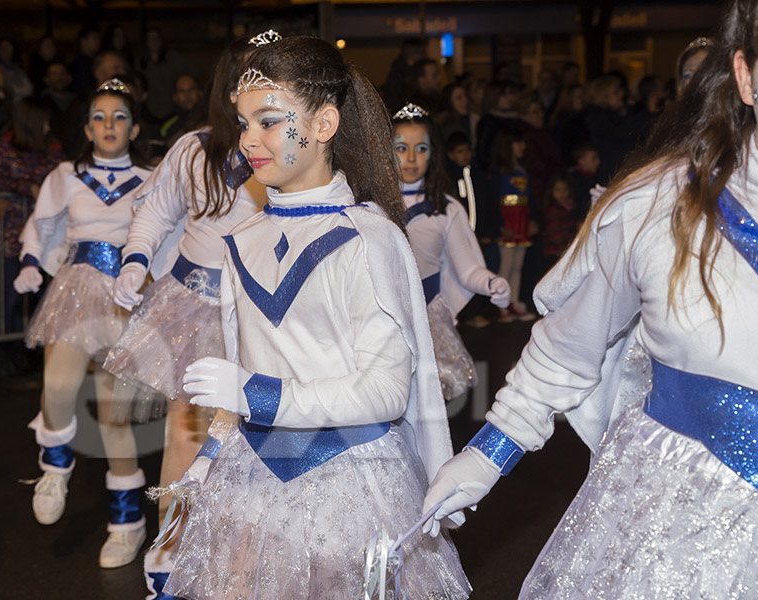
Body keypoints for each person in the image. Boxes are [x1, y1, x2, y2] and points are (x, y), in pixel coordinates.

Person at [423, 0, 758, 597]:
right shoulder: (657, 207)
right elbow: (568, 349)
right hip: (676, 531)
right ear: (745, 76)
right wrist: (487, 455)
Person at [166, 35, 471, 600]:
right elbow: (243, 368)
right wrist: (210, 455)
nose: (248, 140)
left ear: (325, 124)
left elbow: (386, 391)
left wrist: (258, 394)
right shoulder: (240, 240)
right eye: (242, 122)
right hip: (253, 478)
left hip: (351, 482)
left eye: (269, 121)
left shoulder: (369, 237)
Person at [103, 35, 267, 598]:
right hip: (194, 308)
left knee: (254, 446)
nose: (254, 88)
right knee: (186, 435)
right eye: (245, 77)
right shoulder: (195, 148)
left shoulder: (298, 153)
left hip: (266, 317)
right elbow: (156, 209)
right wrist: (134, 261)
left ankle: (241, 566)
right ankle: (169, 552)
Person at [13, 79, 152, 569]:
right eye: (99, 116)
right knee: (56, 386)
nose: (108, 125)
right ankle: (55, 464)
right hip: (75, 292)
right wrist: (31, 261)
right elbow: (42, 224)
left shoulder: (154, 178)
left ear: (134, 128)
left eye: (118, 117)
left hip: (126, 300)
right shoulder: (66, 175)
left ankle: (127, 523)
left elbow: (170, 235)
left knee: (114, 418)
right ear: (87, 126)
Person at [392, 103, 510, 399]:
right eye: (400, 147)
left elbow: (468, 269)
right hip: (380, 322)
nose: (410, 158)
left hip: (428, 322)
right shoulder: (366, 207)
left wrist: (491, 282)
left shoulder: (445, 209)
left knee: (429, 417)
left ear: (433, 153)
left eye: (421, 148)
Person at [0, 97, 64, 369]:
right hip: (9, 234)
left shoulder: (51, 146)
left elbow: (61, 176)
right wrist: (28, 186)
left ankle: (30, 352)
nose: (48, 126)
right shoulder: (6, 145)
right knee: (6, 296)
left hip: (45, 237)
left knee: (40, 297)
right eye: (43, 121)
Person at [490, 128, 537, 321]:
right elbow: (492, 200)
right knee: (506, 264)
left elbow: (530, 198)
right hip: (507, 220)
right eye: (518, 143)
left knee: (517, 265)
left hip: (521, 219)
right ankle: (500, 305)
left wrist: (532, 219)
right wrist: (499, 224)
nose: (522, 147)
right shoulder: (498, 172)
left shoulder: (522, 169)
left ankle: (513, 302)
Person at [540, 173, 577, 272]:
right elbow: (556, 237)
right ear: (551, 191)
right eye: (558, 190)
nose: (562, 194)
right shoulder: (553, 211)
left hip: (565, 253)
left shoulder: (569, 208)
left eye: (565, 190)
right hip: (554, 254)